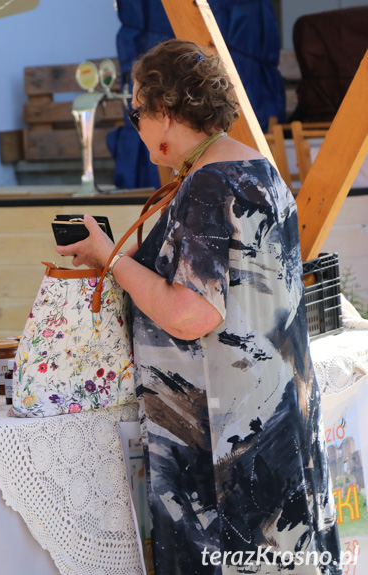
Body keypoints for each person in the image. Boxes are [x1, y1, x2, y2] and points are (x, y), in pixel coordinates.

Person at [58, 40, 341, 573]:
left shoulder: (209, 184)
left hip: (226, 443)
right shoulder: (253, 166)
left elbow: (192, 313)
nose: (134, 124)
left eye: (136, 111)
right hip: (269, 423)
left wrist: (108, 258)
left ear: (165, 111)